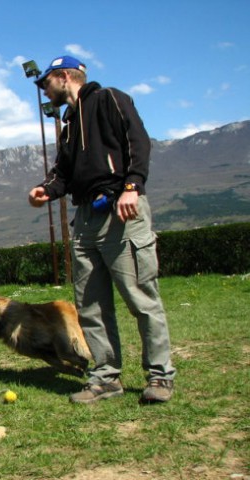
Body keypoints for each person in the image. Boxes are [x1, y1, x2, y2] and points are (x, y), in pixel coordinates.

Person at [28, 55, 176, 404]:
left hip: (121, 212)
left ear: (64, 76)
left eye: (44, 83)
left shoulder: (109, 98)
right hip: (87, 219)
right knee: (90, 306)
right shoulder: (68, 126)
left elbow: (138, 141)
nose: (43, 91)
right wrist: (45, 191)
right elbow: (62, 174)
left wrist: (132, 187)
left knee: (141, 299)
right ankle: (106, 378)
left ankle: (160, 376)